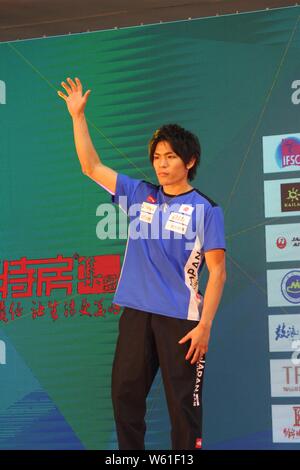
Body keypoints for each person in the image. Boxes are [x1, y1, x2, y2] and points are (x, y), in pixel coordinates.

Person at [57, 77, 227, 451]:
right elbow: (90, 166)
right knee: (124, 398)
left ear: (190, 161)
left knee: (183, 407)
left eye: (170, 156)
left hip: (181, 319)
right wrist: (78, 117)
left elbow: (217, 272)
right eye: (157, 157)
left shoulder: (207, 209)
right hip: (136, 313)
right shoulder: (139, 193)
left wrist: (205, 327)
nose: (162, 164)